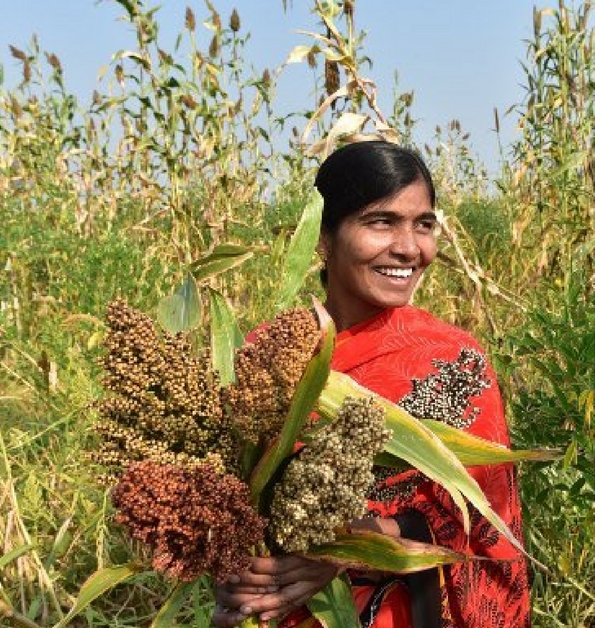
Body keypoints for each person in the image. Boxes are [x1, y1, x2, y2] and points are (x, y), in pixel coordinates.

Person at [212, 140, 530, 628]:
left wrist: (347, 545)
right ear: (324, 237)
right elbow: (230, 499)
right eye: (381, 221)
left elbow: (481, 526)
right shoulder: (267, 357)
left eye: (423, 224)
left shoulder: (453, 361)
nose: (409, 248)